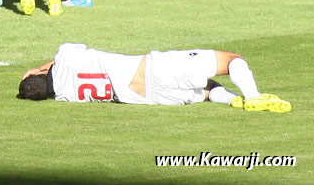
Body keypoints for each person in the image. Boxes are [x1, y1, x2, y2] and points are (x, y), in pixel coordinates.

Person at [18, 43, 292, 113]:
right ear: (40, 75)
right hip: (153, 68)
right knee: (233, 59)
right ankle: (254, 97)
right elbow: (60, 56)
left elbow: (50, 80)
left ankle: (235, 102)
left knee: (207, 89)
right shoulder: (65, 58)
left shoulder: (66, 95)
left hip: (150, 97)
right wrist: (38, 68)